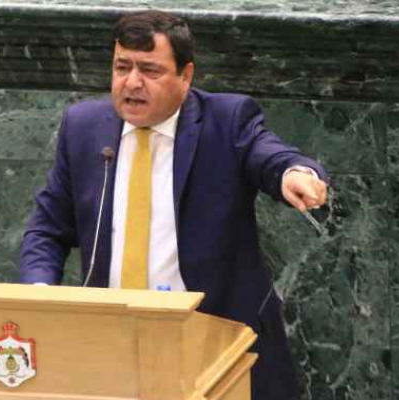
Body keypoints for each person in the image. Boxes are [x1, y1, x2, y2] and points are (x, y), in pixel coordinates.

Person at [19, 9, 328, 400]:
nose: (132, 82)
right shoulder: (83, 127)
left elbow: (268, 155)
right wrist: (40, 293)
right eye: (122, 67)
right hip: (111, 347)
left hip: (216, 347)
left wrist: (293, 173)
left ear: (186, 76)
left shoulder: (226, 120)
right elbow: (47, 229)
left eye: (150, 70)